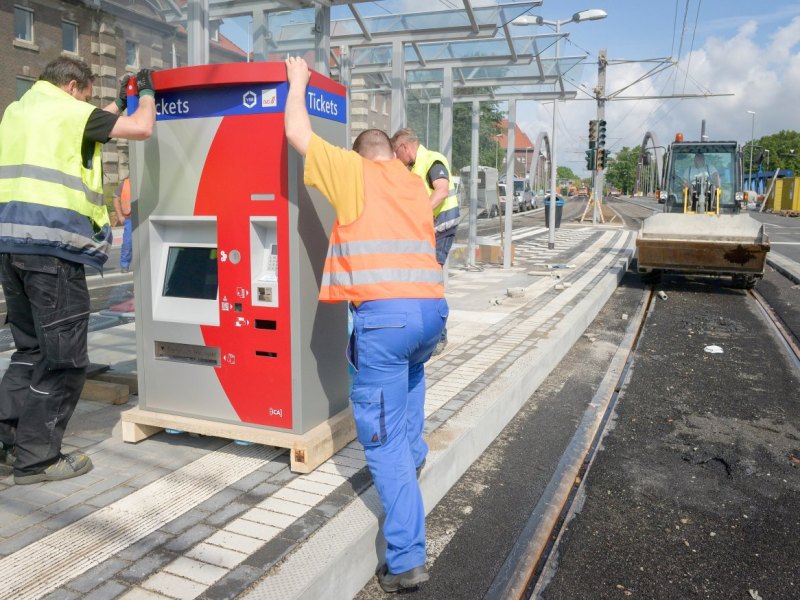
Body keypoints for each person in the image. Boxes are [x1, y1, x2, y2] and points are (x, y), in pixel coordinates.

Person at [284, 56, 447, 593]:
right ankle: (416, 458)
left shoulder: (353, 170)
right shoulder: (411, 184)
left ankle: (406, 560)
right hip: (430, 315)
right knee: (412, 387)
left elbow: (296, 132)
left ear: (359, 154)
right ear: (390, 153)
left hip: (385, 319)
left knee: (381, 442)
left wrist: (298, 82)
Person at [0, 56, 156, 485]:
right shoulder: (69, 111)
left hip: (11, 248)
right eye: (86, 94)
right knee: (65, 360)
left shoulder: (19, 110)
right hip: (53, 251)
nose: (87, 103)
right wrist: (145, 94)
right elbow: (142, 129)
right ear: (73, 86)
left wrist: (117, 104)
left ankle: (6, 445)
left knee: (29, 352)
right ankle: (38, 460)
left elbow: (90, 124)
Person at [391, 128, 459, 355]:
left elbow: (441, 191)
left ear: (404, 147)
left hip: (442, 226)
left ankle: (440, 334)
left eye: (396, 153)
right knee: (422, 279)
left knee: (432, 280)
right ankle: (430, 329)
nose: (397, 160)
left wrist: (417, 214)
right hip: (429, 229)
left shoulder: (433, 160)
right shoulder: (415, 165)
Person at [112, 176, 133, 273]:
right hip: (130, 218)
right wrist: (120, 215)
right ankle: (125, 264)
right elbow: (115, 197)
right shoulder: (125, 183)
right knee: (127, 243)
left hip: (144, 217)